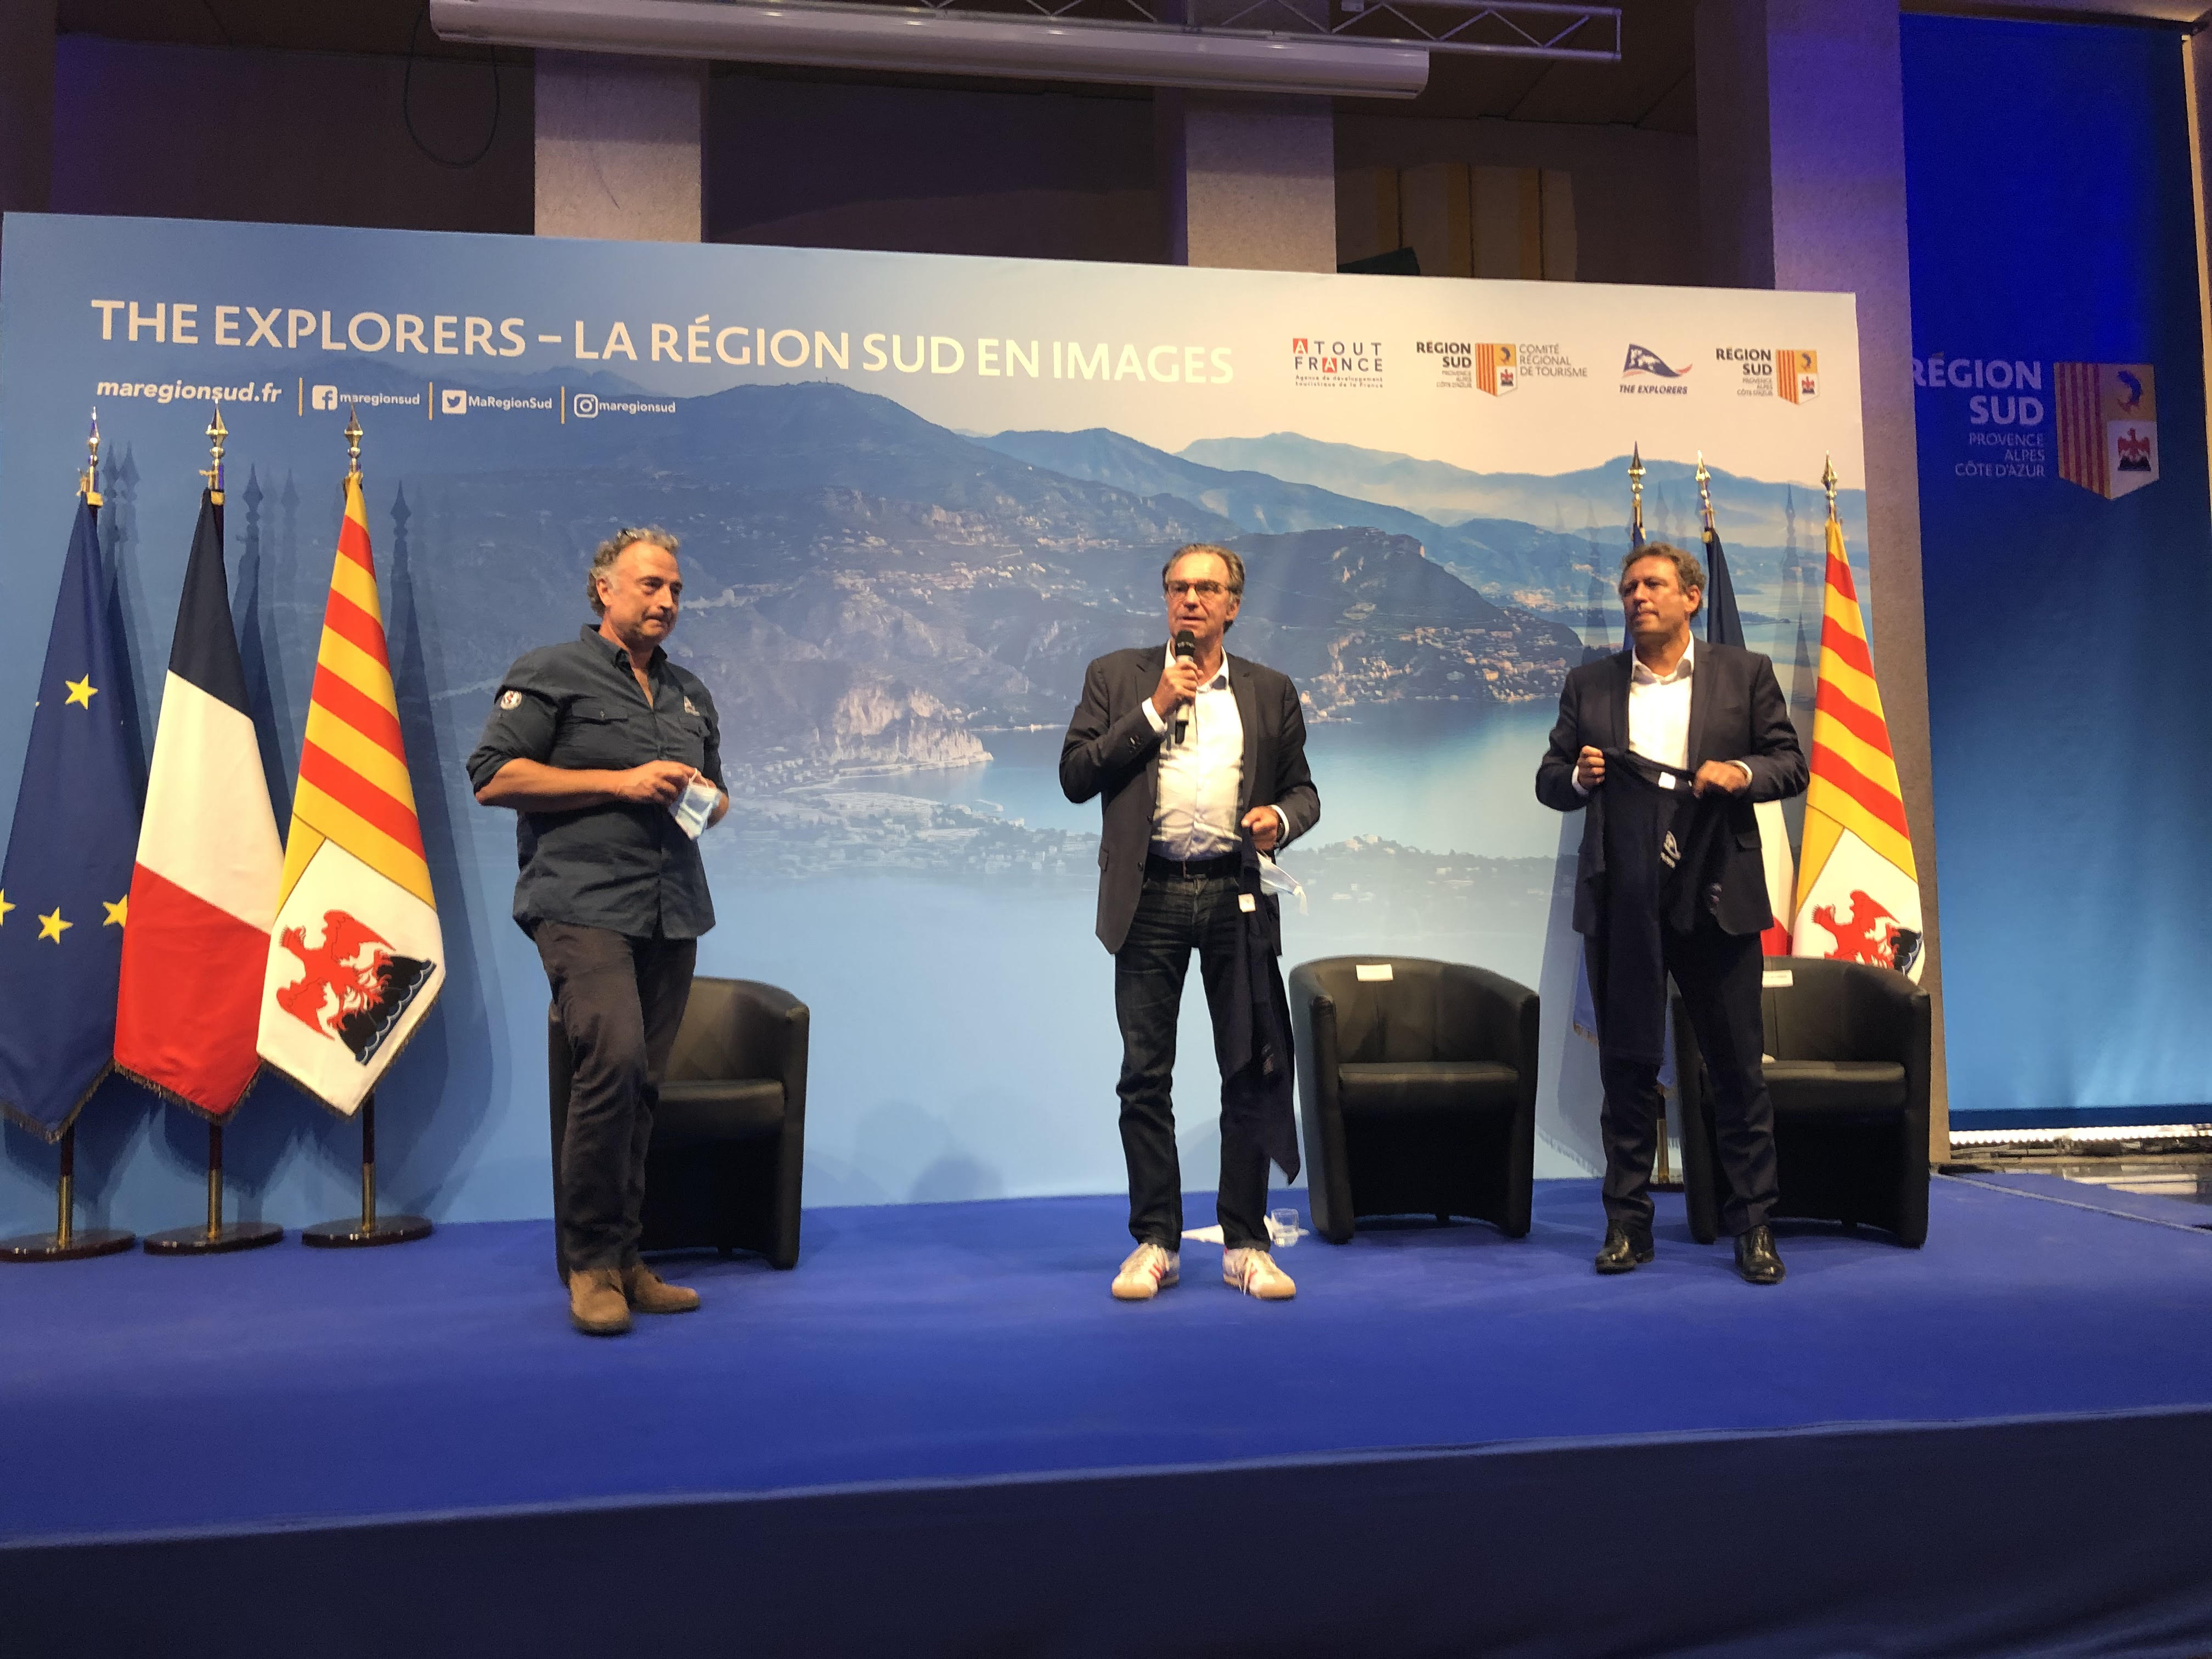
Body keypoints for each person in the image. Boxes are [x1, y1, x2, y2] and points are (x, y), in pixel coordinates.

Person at [467, 527, 730, 1335]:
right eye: (651, 586)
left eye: (677, 590)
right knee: (611, 1060)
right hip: (579, 904)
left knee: (642, 1083)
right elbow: (494, 777)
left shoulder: (689, 693)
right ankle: (588, 1266)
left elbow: (716, 797)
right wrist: (622, 780)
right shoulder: (551, 671)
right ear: (604, 589)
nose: (667, 602)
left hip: (671, 905)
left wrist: (707, 798)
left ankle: (626, 1259)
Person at [1536, 542, 1807, 1285]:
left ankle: (1753, 1226)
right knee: (1626, 1072)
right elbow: (1548, 779)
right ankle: (1628, 1224)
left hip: (1716, 898)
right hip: (1624, 902)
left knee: (1735, 1073)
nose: (1637, 597)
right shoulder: (1588, 684)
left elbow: (1790, 762)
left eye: (1652, 584)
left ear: (1692, 597)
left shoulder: (1742, 675)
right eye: (1627, 588)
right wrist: (1579, 777)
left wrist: (1742, 772)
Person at [1060, 544, 1319, 1303]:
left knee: (1247, 1070)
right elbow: (1077, 777)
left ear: (1233, 604)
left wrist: (1282, 817)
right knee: (1145, 1075)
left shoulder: (1270, 692)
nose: (1191, 600)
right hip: (1148, 900)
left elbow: (1305, 791)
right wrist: (1156, 709)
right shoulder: (1118, 679)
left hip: (1234, 896)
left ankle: (1245, 1243)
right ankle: (1156, 1242)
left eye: (1207, 589)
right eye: (1178, 587)